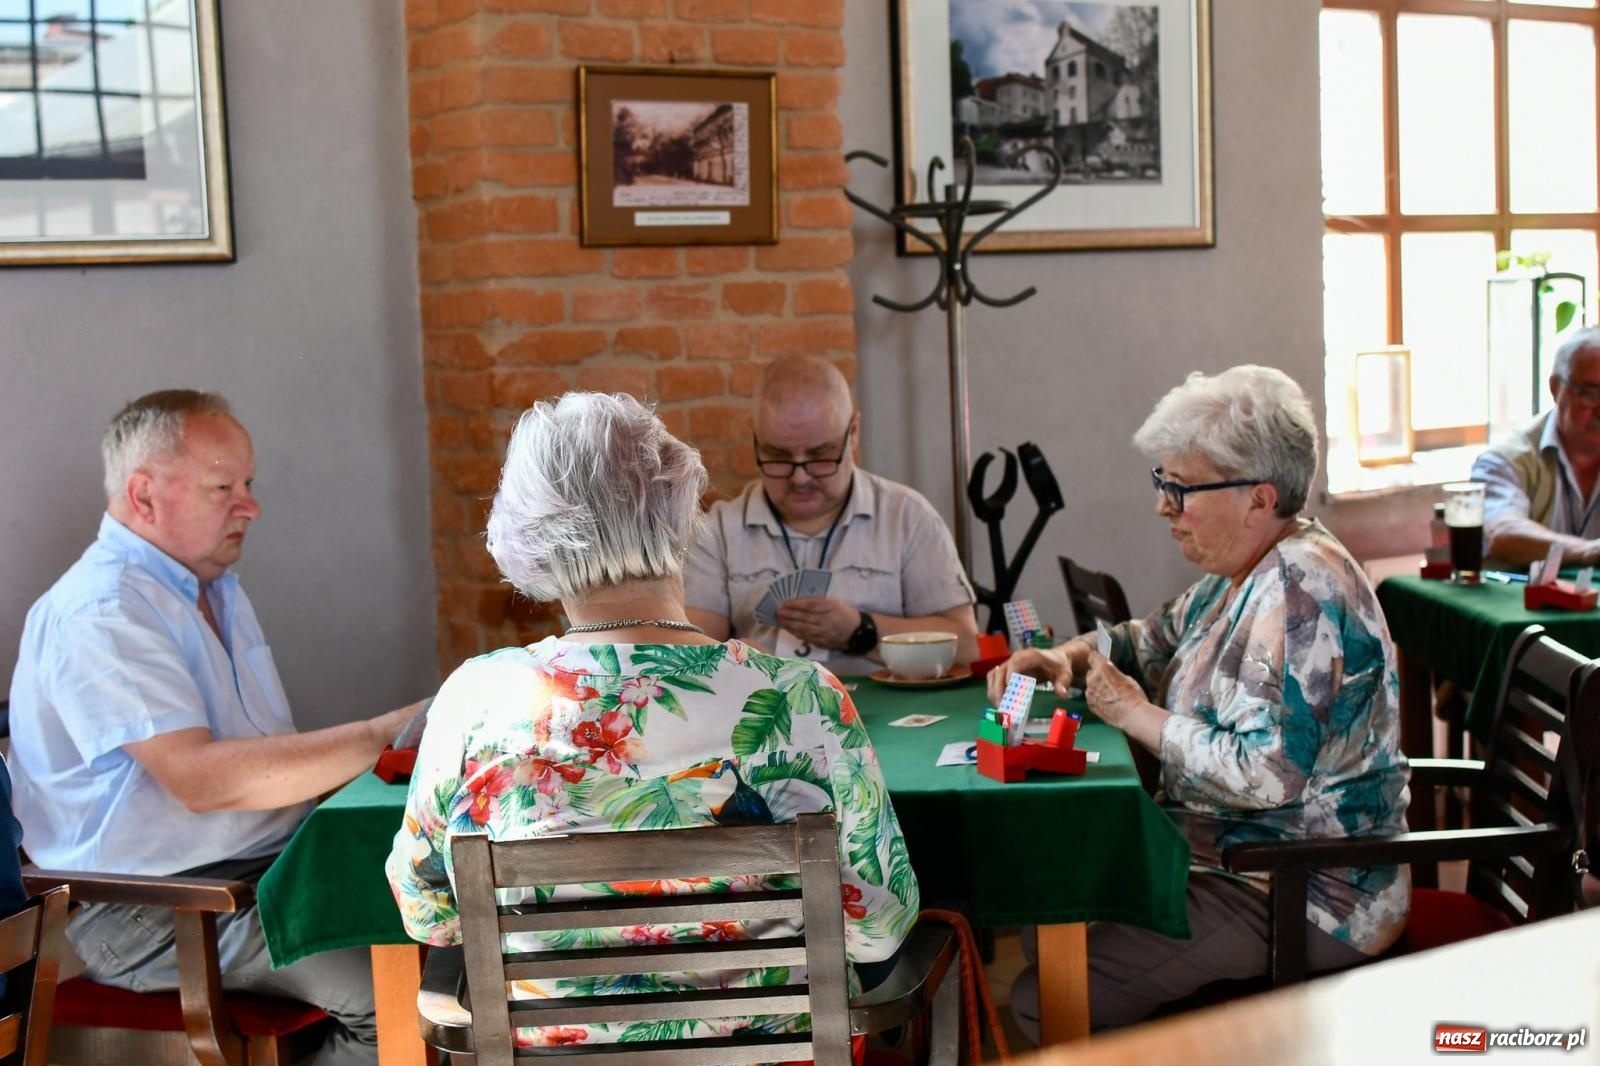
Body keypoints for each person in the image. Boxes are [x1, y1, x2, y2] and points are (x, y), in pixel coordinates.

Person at [386, 391, 919, 1049]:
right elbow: (879, 925)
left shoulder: (474, 700)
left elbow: (429, 913)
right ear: (680, 511)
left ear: (527, 533)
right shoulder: (804, 697)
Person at [989, 365, 1410, 1033]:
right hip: (1229, 857)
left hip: (1302, 888)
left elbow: (1267, 774)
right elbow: (1146, 639)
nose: (1164, 506)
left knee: (1047, 997)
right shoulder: (1241, 568)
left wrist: (1137, 715)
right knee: (1051, 926)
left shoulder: (1298, 592)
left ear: (1258, 498)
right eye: (1163, 482)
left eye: (1181, 489)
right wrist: (1065, 656)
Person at [8, 390, 422, 1066]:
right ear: (144, 496)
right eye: (224, 487)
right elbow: (202, 782)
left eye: (248, 484)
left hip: (257, 877)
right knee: (398, 995)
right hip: (154, 911)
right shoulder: (101, 608)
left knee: (450, 936)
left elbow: (260, 766)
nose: (250, 506)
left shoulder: (212, 586)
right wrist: (386, 730)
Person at [684, 354, 979, 674]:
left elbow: (967, 645)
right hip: (768, 703)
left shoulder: (907, 518)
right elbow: (687, 654)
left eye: (820, 455)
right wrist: (733, 659)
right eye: (778, 456)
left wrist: (863, 631)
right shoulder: (718, 530)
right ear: (754, 437)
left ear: (853, 433)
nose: (800, 478)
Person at [1473, 326, 1600, 567]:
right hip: (1519, 590)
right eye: (1591, 393)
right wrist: (1587, 551)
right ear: (1555, 388)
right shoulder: (1506, 460)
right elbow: (1504, 533)